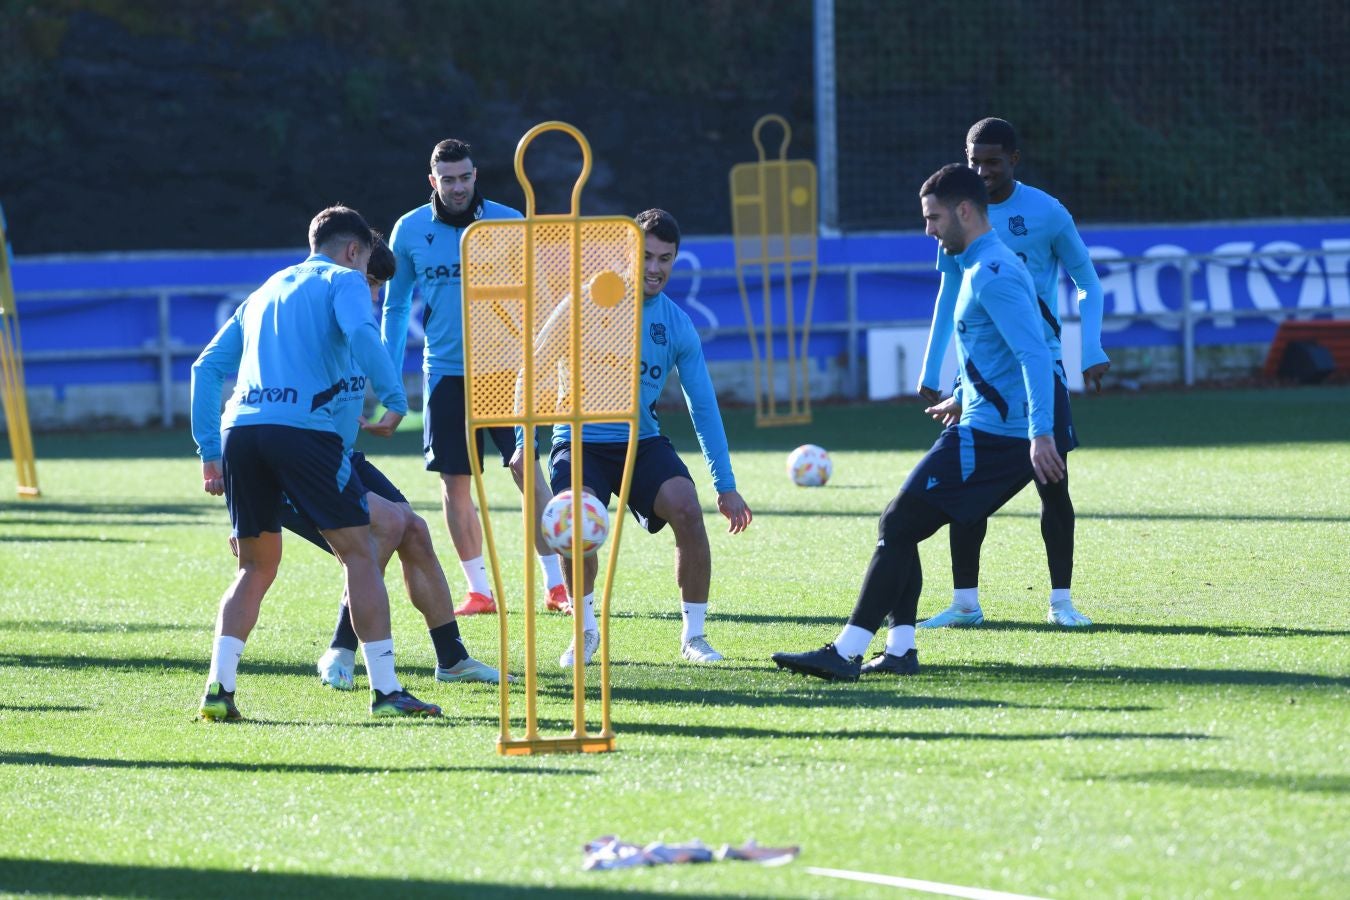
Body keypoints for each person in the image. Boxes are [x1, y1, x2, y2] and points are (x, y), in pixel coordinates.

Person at [772, 164, 1067, 681]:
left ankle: (846, 652)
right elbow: (998, 352)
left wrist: (1040, 433)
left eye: (933, 218)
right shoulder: (983, 266)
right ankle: (901, 649)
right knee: (899, 526)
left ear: (965, 211)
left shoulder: (991, 273)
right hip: (978, 422)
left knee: (897, 525)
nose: (928, 229)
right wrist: (961, 395)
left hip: (993, 437)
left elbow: (1036, 354)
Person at [190, 205, 440, 719]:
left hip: (241, 430)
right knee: (360, 555)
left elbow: (207, 368)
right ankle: (388, 690)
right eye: (365, 259)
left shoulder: (264, 291)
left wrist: (210, 454)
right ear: (354, 251)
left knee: (254, 568)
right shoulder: (343, 280)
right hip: (302, 431)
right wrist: (394, 397)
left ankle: (219, 688)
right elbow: (363, 336)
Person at [244, 235, 503, 689]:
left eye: (379, 291)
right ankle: (343, 654)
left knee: (414, 530)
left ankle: (451, 658)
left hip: (339, 457)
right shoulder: (317, 317)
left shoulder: (354, 325)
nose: (373, 299)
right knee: (385, 528)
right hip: (296, 465)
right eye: (370, 286)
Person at [535, 208, 753, 668]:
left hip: (640, 440)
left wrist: (726, 483)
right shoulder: (583, 301)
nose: (654, 268)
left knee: (688, 509)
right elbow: (533, 366)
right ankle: (585, 631)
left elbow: (704, 405)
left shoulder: (676, 325)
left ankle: (694, 636)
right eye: (646, 255)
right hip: (579, 440)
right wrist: (522, 443)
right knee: (578, 524)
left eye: (665, 259)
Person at [916, 117, 1106, 629]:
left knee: (1054, 486)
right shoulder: (956, 219)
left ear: (1014, 161)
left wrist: (1091, 348)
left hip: (1040, 363)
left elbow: (1087, 279)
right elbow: (949, 297)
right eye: (974, 161)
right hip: (980, 378)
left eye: (992, 162)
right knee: (964, 488)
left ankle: (1061, 602)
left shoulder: (1045, 212)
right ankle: (964, 603)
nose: (981, 171)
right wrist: (935, 368)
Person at [383, 138, 570, 619]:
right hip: (445, 373)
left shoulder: (510, 222)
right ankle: (479, 591)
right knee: (456, 482)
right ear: (433, 181)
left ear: (475, 175)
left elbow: (547, 298)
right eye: (448, 179)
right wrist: (387, 370)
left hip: (509, 372)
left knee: (524, 468)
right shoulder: (409, 230)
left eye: (465, 177)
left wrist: (547, 362)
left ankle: (557, 585)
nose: (458, 186)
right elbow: (396, 303)